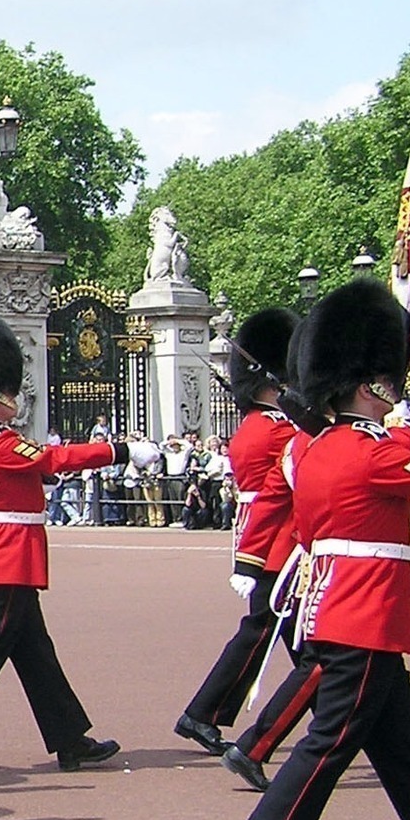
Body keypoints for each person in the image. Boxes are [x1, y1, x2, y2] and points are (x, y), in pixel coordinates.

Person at [222, 279, 410, 820]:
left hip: (340, 609)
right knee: (330, 743)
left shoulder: (315, 448)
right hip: (364, 616)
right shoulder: (373, 450)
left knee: (401, 752)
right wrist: (402, 433)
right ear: (370, 383)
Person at [0, 312, 160, 779]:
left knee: (35, 652)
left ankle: (68, 738)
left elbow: (38, 466)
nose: (14, 398)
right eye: (6, 391)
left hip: (7, 553)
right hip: (5, 557)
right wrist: (119, 450)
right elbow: (53, 459)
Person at [174, 309, 302, 757]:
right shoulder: (277, 432)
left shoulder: (258, 426)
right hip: (278, 545)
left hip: (271, 541)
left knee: (284, 636)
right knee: (281, 637)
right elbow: (277, 492)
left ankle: (204, 714)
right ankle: (203, 714)